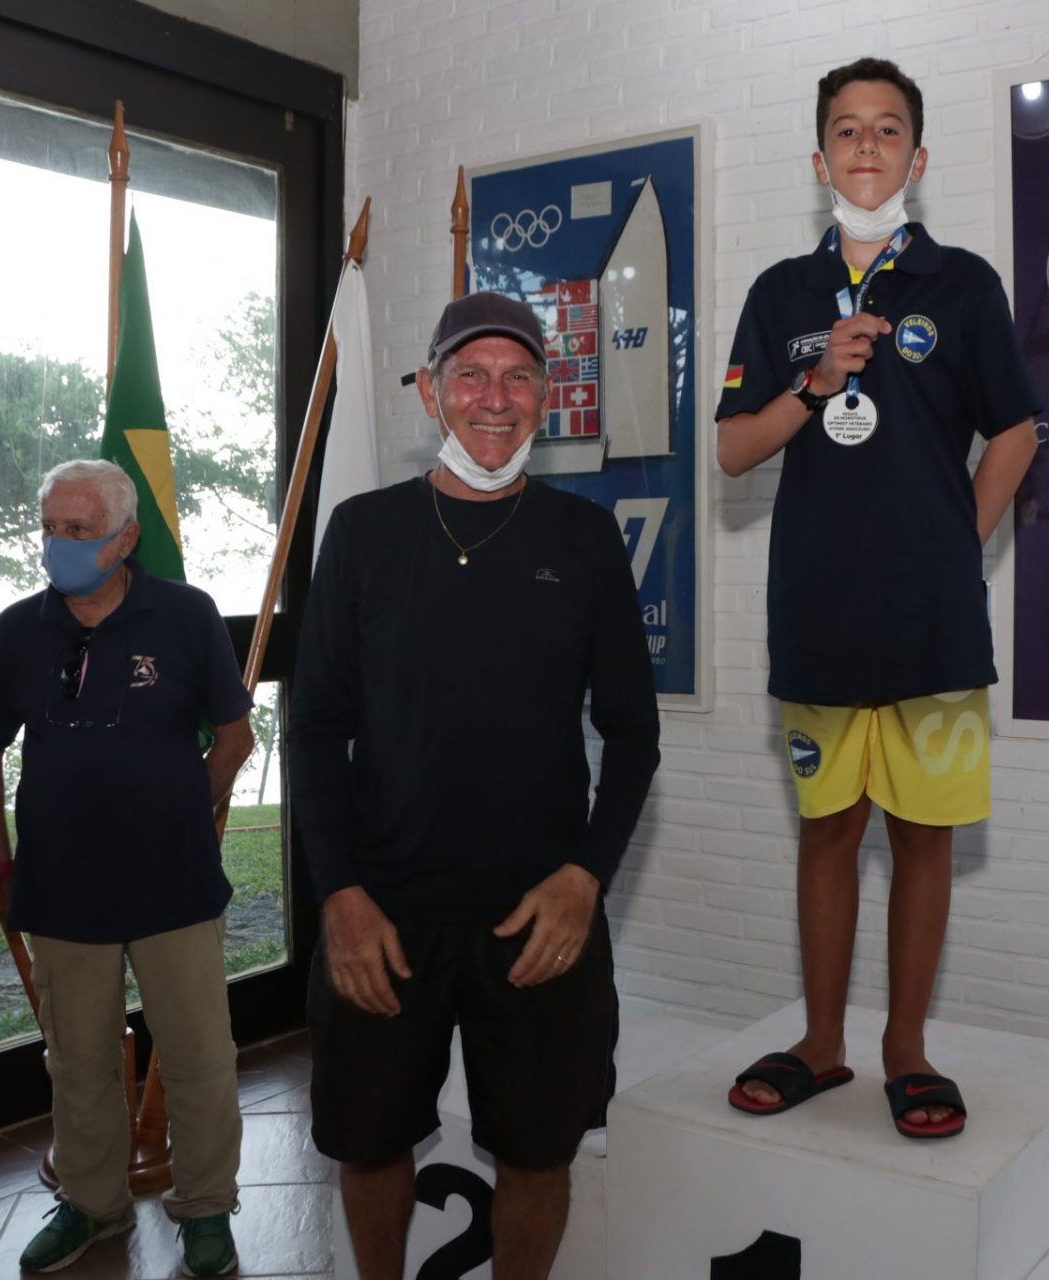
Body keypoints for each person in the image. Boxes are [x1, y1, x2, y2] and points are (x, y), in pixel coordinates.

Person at [290, 292, 660, 1279]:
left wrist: (586, 877)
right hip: (382, 913)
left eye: (518, 377)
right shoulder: (362, 532)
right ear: (429, 390)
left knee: (539, 1150)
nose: (495, 398)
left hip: (540, 916)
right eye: (471, 375)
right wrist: (340, 894)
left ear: (546, 394)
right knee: (370, 1141)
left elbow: (634, 734)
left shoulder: (586, 539)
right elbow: (315, 728)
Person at [715, 58, 1041, 1140]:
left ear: (918, 156)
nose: (866, 146)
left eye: (887, 129)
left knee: (924, 835)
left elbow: (1017, 430)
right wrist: (813, 384)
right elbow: (731, 449)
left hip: (931, 622)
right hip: (818, 611)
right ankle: (821, 1042)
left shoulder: (963, 285)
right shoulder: (780, 294)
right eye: (847, 130)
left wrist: (957, 545)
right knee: (828, 831)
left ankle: (907, 1047)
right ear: (820, 161)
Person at [0, 459, 254, 1276]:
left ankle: (206, 1207)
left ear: (126, 539)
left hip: (175, 883)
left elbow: (235, 738)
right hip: (60, 886)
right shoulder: (16, 630)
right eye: (50, 528)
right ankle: (92, 1204)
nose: (58, 543)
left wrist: (180, 812)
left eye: (79, 530)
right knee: (79, 1060)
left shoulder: (187, 615)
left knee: (199, 1056)